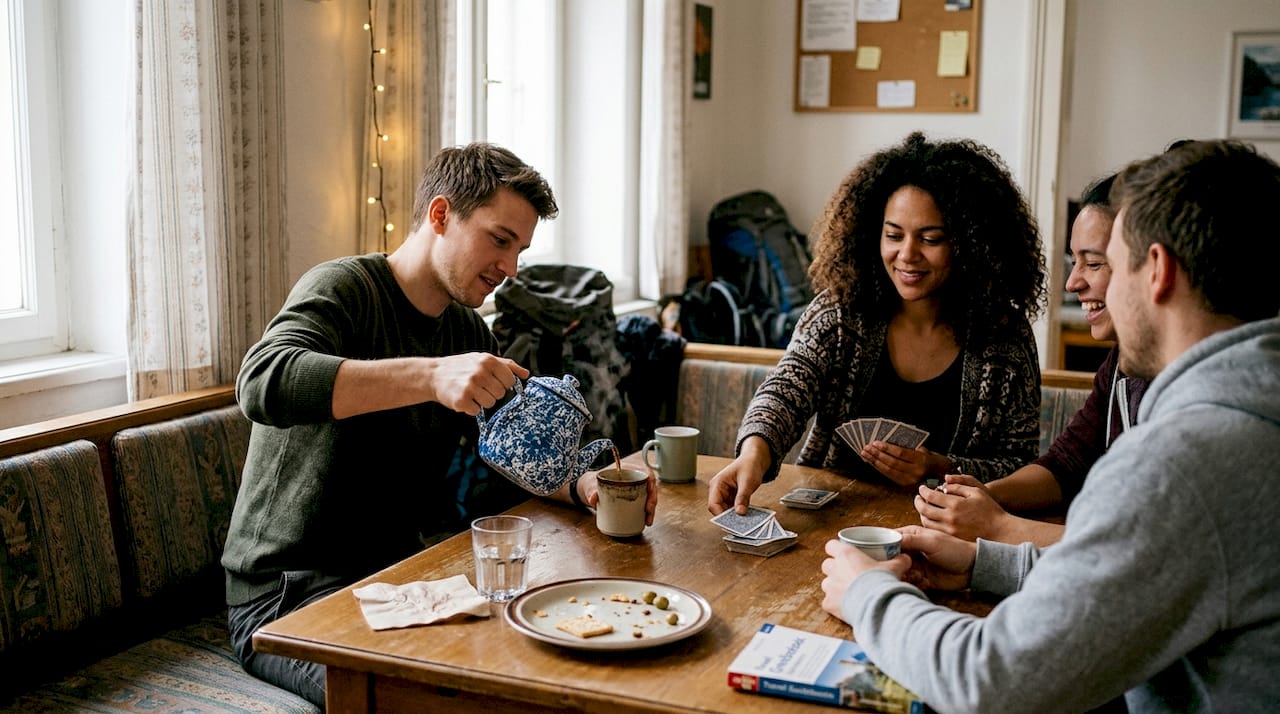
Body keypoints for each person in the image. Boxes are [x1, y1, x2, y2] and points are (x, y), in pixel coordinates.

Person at [821, 139, 1280, 713]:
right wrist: (982, 564)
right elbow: (1139, 574)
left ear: (1157, 271)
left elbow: (992, 683)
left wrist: (868, 594)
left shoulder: (1181, 463)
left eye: (1112, 261)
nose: (1083, 285)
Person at [221, 142, 657, 706]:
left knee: (553, 665)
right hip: (286, 597)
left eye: (520, 249)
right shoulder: (343, 290)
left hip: (401, 578)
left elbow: (504, 456)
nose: (510, 268)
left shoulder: (469, 334)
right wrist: (430, 377)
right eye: (500, 240)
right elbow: (261, 382)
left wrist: (581, 486)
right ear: (440, 215)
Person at [708, 131, 1047, 516]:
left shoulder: (1005, 339)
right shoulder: (839, 314)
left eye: (931, 239)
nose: (906, 255)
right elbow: (787, 388)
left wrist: (941, 468)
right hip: (832, 520)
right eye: (893, 235)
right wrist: (754, 452)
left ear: (970, 245)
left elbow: (1019, 465)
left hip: (946, 532)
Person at [914, 172, 1150, 547]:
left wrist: (995, 526)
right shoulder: (1123, 361)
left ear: (1154, 266)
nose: (1072, 283)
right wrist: (983, 497)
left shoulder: (1195, 399)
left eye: (1094, 263)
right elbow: (1067, 463)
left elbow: (1140, 552)